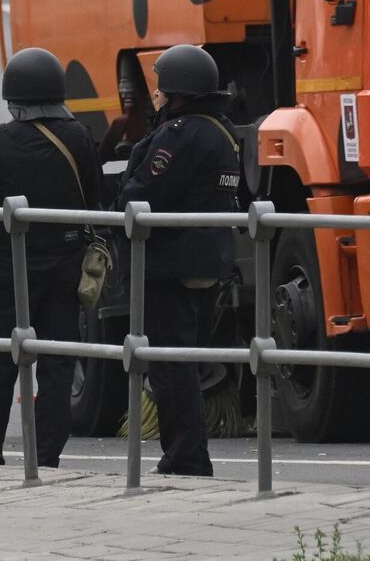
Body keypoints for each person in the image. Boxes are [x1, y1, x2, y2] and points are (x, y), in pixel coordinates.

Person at [0, 47, 101, 467]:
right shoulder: (79, 137)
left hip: (8, 269)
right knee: (58, 368)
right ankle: (45, 458)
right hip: (66, 267)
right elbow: (94, 200)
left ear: (13, 98)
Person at [117, 44, 240, 477]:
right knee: (183, 359)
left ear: (178, 91)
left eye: (162, 88)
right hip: (210, 263)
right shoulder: (222, 131)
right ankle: (186, 454)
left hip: (170, 265)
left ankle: (185, 456)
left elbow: (141, 195)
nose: (158, 96)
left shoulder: (180, 134)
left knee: (172, 367)